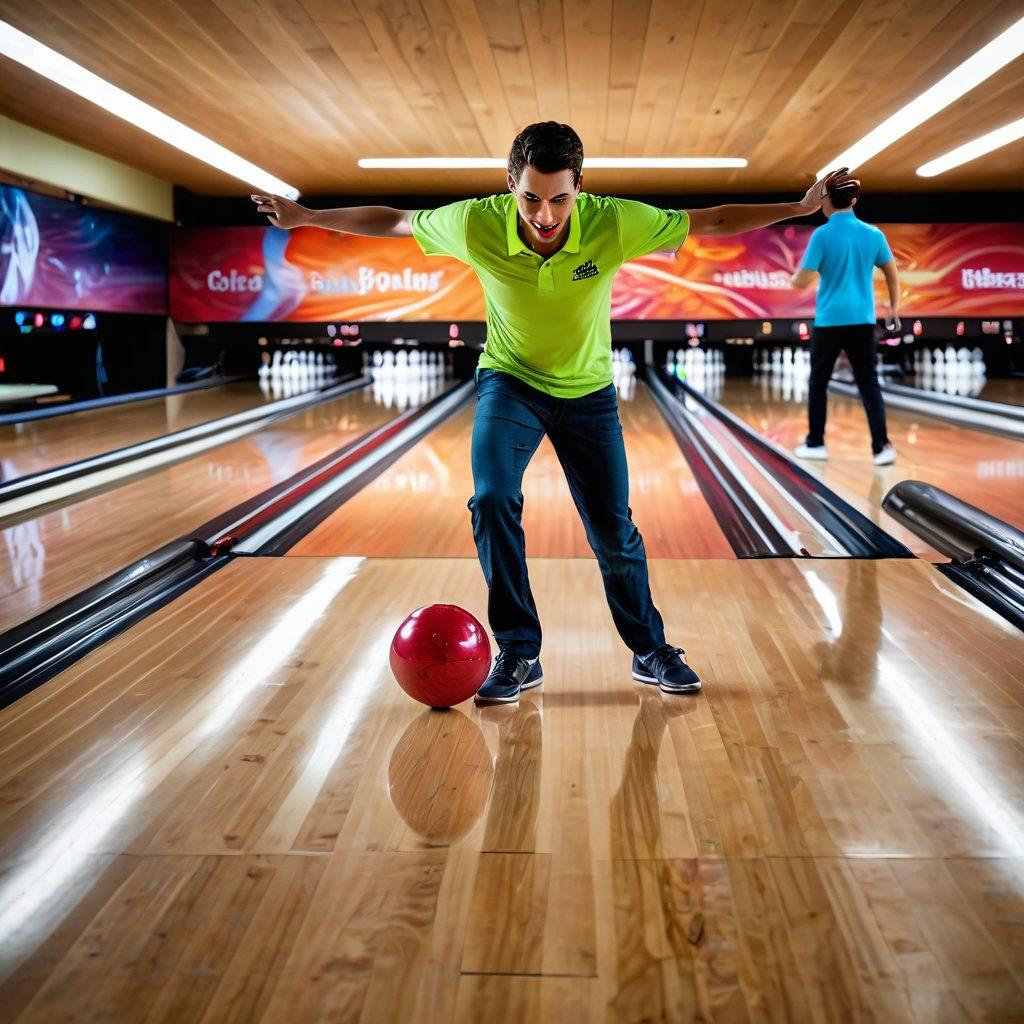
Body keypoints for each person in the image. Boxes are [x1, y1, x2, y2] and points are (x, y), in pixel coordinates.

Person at [252, 121, 852, 703]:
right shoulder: (475, 222)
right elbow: (393, 220)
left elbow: (713, 220)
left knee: (614, 533)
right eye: (530, 198)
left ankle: (650, 648)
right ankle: (518, 650)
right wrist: (306, 217)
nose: (544, 215)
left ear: (579, 189)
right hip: (509, 383)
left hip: (589, 394)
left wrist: (800, 209)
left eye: (559, 199)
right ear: (509, 184)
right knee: (490, 499)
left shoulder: (613, 222)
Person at [789, 177, 901, 466]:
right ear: (854, 201)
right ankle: (881, 447)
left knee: (819, 381)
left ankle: (816, 444)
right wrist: (894, 308)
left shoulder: (822, 236)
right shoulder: (873, 234)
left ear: (825, 200)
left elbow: (801, 282)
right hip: (862, 320)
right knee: (868, 382)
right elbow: (891, 273)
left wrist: (795, 278)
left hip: (829, 321)